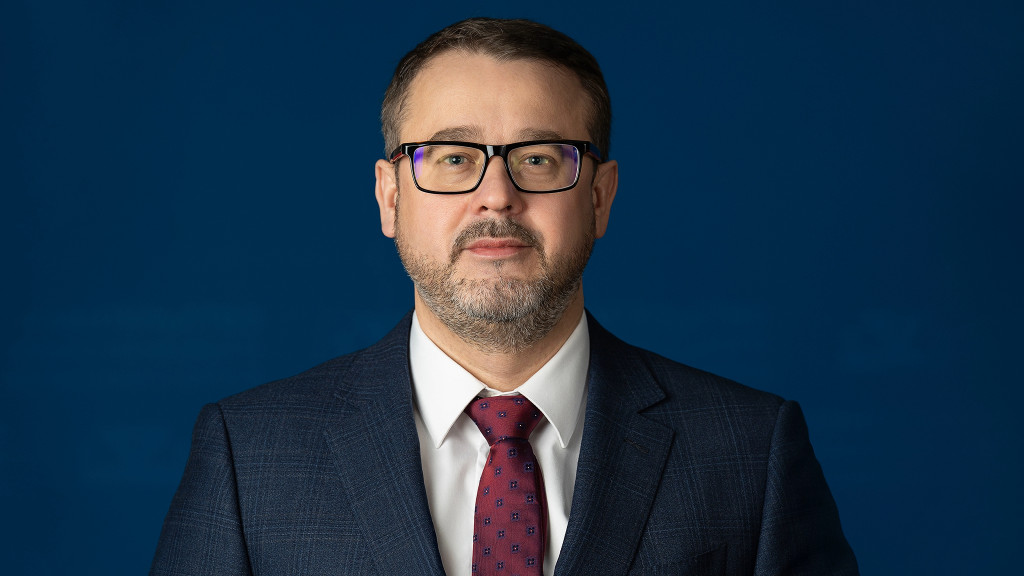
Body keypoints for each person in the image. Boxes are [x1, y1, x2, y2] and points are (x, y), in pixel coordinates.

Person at [150, 17, 858, 576]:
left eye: (539, 159)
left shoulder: (750, 450)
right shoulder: (250, 455)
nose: (496, 195)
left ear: (601, 197)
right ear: (390, 197)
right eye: (453, 158)